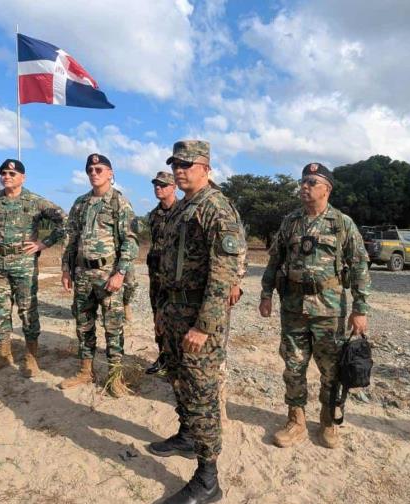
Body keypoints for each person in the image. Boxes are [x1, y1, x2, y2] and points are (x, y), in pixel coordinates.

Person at [147, 140, 245, 504]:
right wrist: (161, 312)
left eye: (187, 164)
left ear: (206, 167)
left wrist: (203, 327)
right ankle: (188, 435)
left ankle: (207, 479)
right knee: (178, 379)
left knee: (202, 393)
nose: (179, 170)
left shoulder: (216, 208)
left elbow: (223, 277)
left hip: (198, 318)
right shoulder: (181, 208)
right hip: (173, 312)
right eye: (175, 164)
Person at [258, 162, 370, 449]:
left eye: (311, 182)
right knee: (293, 367)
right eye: (303, 182)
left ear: (326, 189)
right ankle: (296, 421)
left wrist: (360, 309)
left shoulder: (341, 223)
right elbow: (274, 261)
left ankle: (328, 421)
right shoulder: (290, 222)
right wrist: (266, 294)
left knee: (331, 370)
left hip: (329, 310)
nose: (304, 187)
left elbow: (359, 266)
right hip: (293, 308)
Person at [0, 159, 68, 378]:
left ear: (23, 177)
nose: (7, 176)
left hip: (24, 263)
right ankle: (3, 355)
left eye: (12, 173)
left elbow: (64, 221)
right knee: (0, 310)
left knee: (27, 310)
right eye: (4, 173)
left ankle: (31, 357)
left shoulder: (36, 201)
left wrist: (43, 244)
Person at [60, 153, 139, 398]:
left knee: (113, 326)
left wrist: (120, 273)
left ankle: (115, 377)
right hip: (83, 273)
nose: (94, 173)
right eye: (90, 170)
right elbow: (71, 238)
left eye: (99, 169)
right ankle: (86, 370)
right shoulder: (80, 203)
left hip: (108, 274)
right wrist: (66, 268)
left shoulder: (120, 203)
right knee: (84, 325)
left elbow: (131, 242)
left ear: (111, 173)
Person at [144, 170, 179, 375]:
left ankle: (178, 361)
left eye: (163, 184)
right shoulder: (153, 215)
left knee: (177, 319)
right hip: (156, 276)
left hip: (177, 277)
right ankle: (164, 357)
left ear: (174, 187)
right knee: (157, 315)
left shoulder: (184, 212)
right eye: (156, 184)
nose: (158, 187)